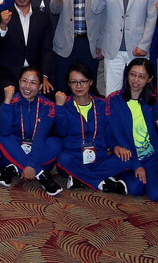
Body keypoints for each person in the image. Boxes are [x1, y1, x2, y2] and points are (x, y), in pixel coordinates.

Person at [108, 58, 158, 202]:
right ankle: (148, 179)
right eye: (133, 75)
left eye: (141, 76)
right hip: (128, 157)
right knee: (136, 188)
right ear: (127, 75)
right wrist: (135, 165)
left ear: (149, 79)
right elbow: (115, 133)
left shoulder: (153, 102)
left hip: (150, 157)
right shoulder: (114, 100)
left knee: (157, 194)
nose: (136, 80)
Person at [92, 0, 158, 96]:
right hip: (112, 47)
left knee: (138, 93)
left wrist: (144, 45)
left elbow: (151, 17)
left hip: (138, 47)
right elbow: (96, 9)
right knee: (112, 93)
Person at [53, 62, 129, 192]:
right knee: (63, 159)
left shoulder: (102, 104)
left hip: (100, 158)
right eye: (74, 82)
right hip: (74, 158)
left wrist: (116, 146)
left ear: (91, 82)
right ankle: (101, 183)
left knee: (126, 158)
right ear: (69, 84)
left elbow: (109, 133)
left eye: (83, 81)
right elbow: (61, 132)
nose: (79, 86)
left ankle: (80, 178)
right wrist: (59, 108)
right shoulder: (65, 105)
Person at [0, 66, 62, 196]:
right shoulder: (11, 101)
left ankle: (15, 169)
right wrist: (6, 102)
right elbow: (5, 131)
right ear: (19, 82)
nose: (27, 86)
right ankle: (40, 174)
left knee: (56, 142)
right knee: (1, 135)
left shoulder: (49, 106)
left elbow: (40, 136)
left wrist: (31, 164)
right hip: (13, 153)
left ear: (40, 86)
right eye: (24, 81)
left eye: (33, 82)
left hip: (39, 155)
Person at [0, 0, 55, 100]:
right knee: (7, 96)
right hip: (8, 74)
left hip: (35, 74)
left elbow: (46, 49)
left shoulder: (42, 17)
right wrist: (3, 25)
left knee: (48, 94)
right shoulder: (1, 15)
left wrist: (44, 76)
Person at [49, 0, 104, 94]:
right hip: (65, 43)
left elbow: (104, 16)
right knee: (62, 87)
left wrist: (101, 42)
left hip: (90, 44)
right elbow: (54, 10)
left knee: (89, 87)